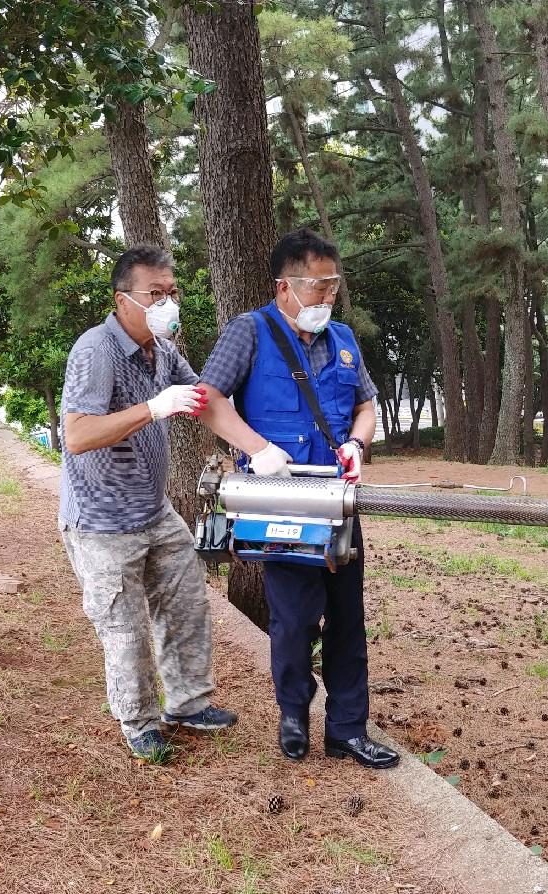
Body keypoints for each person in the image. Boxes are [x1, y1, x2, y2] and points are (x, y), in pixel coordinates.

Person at [196, 228, 399, 770]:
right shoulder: (250, 332)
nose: (327, 297)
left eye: (333, 286)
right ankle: (293, 714)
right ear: (284, 285)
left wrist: (358, 443)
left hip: (338, 501)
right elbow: (208, 401)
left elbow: (367, 404)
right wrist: (258, 449)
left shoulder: (345, 339)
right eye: (317, 286)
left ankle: (347, 730)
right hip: (279, 500)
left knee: (348, 618)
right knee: (293, 618)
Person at [59, 245, 237, 761]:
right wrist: (153, 408)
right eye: (154, 294)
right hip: (100, 521)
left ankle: (187, 703)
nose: (167, 303)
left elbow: (205, 400)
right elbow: (77, 435)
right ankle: (138, 722)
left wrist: (262, 451)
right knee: (125, 628)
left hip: (153, 510)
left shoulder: (163, 350)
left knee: (187, 603)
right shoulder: (97, 350)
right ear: (122, 300)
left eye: (172, 292)